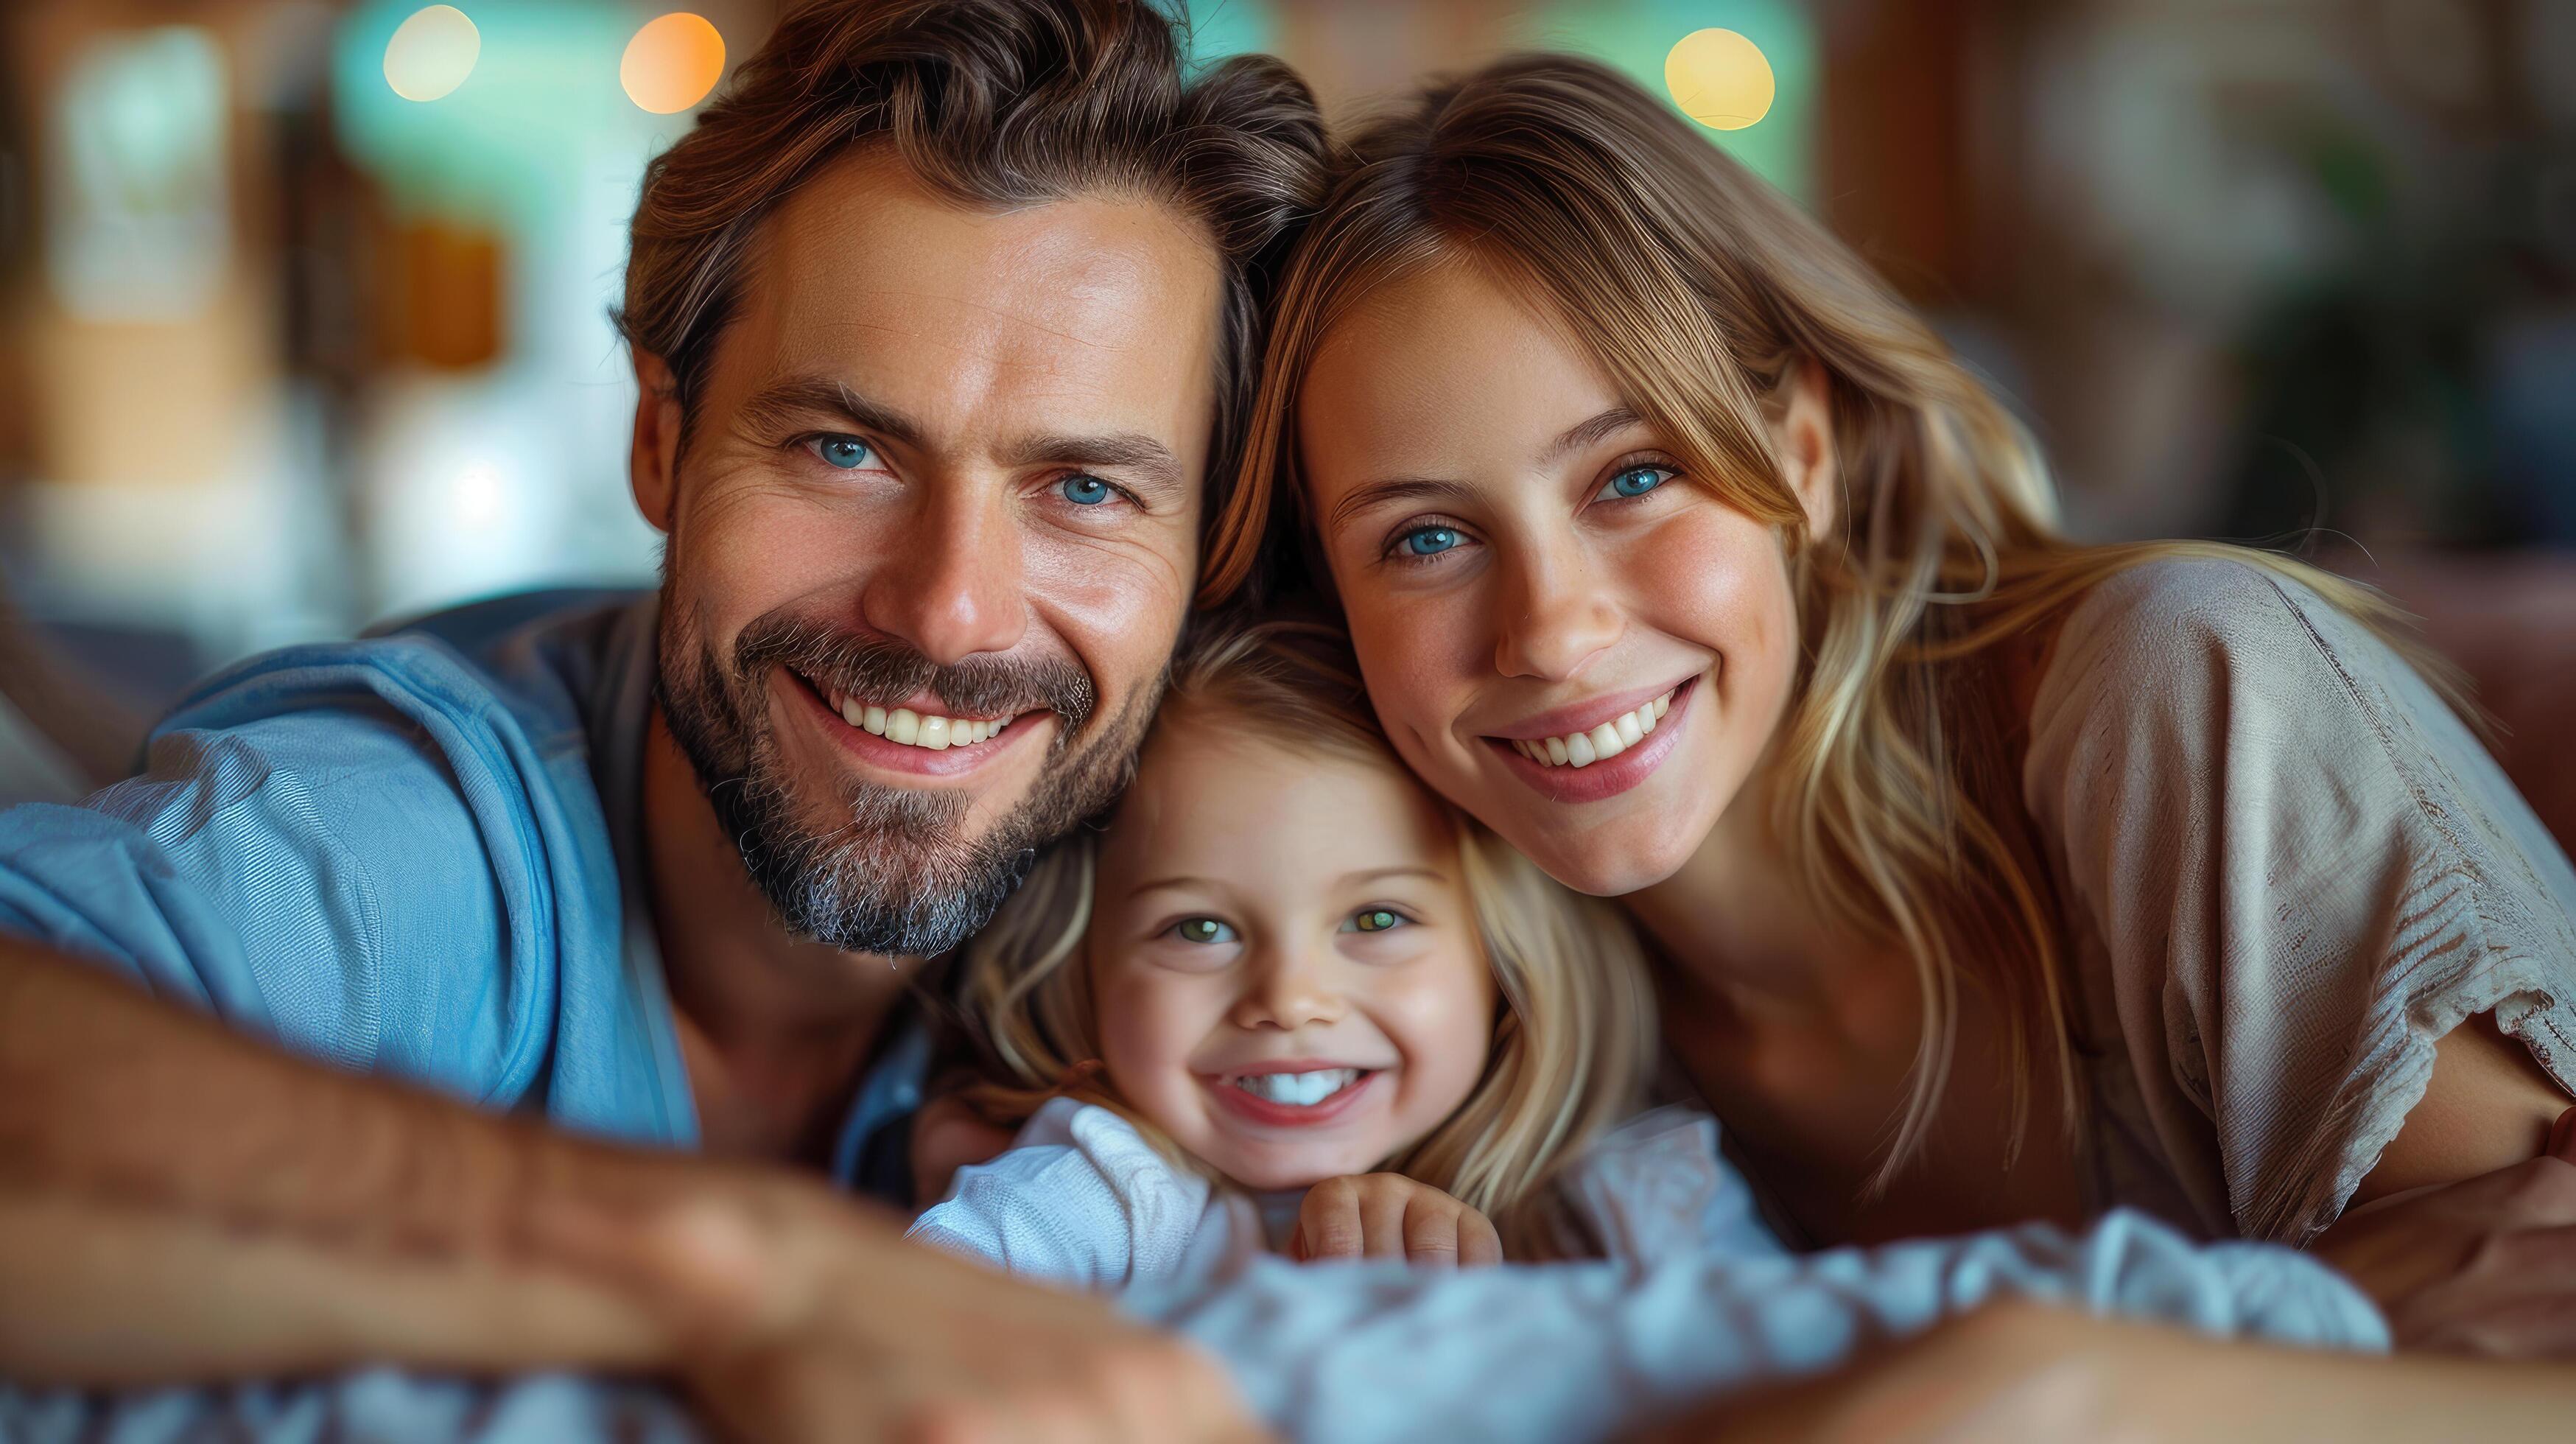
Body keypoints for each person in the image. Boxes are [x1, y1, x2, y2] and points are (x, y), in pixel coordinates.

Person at [0, 1, 1328, 1438]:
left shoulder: (1212, 870)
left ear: (1207, 551)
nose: (949, 612)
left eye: (1085, 490)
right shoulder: (396, 840)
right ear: (659, 440)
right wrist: (738, 1264)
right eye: (843, 447)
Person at [1203, 47, 2576, 1427]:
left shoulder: (2183, 680)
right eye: (1425, 538)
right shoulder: (1416, 988)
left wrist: (2041, 1390)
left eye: (1634, 474)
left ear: (1803, 446)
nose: (1549, 631)